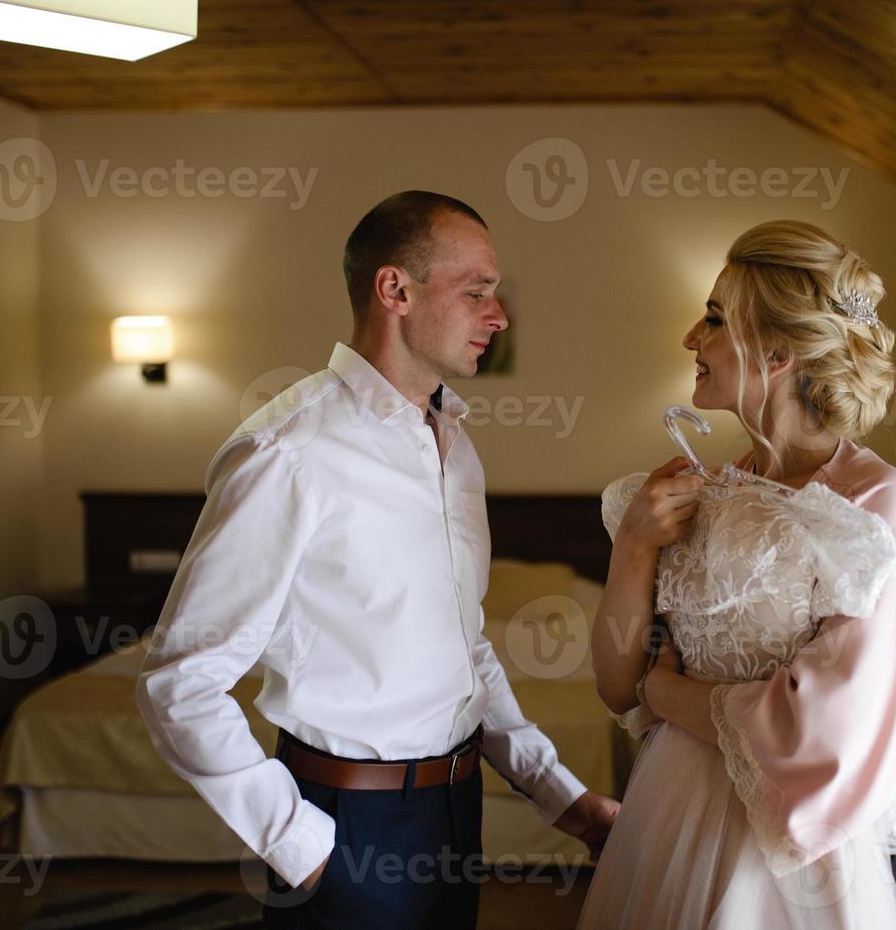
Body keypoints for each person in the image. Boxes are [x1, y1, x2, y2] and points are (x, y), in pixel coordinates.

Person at [137, 190, 619, 930]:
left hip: (456, 813)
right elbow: (180, 681)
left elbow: (466, 648)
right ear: (394, 289)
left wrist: (561, 795)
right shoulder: (289, 453)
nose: (499, 316)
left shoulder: (455, 448)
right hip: (345, 825)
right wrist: (305, 847)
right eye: (477, 292)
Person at [578, 220, 896, 929]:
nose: (689, 340)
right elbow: (616, 686)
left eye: (712, 319)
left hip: (781, 857)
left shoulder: (872, 501)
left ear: (776, 350)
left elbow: (827, 730)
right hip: (667, 820)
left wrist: (666, 691)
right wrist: (635, 548)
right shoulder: (698, 490)